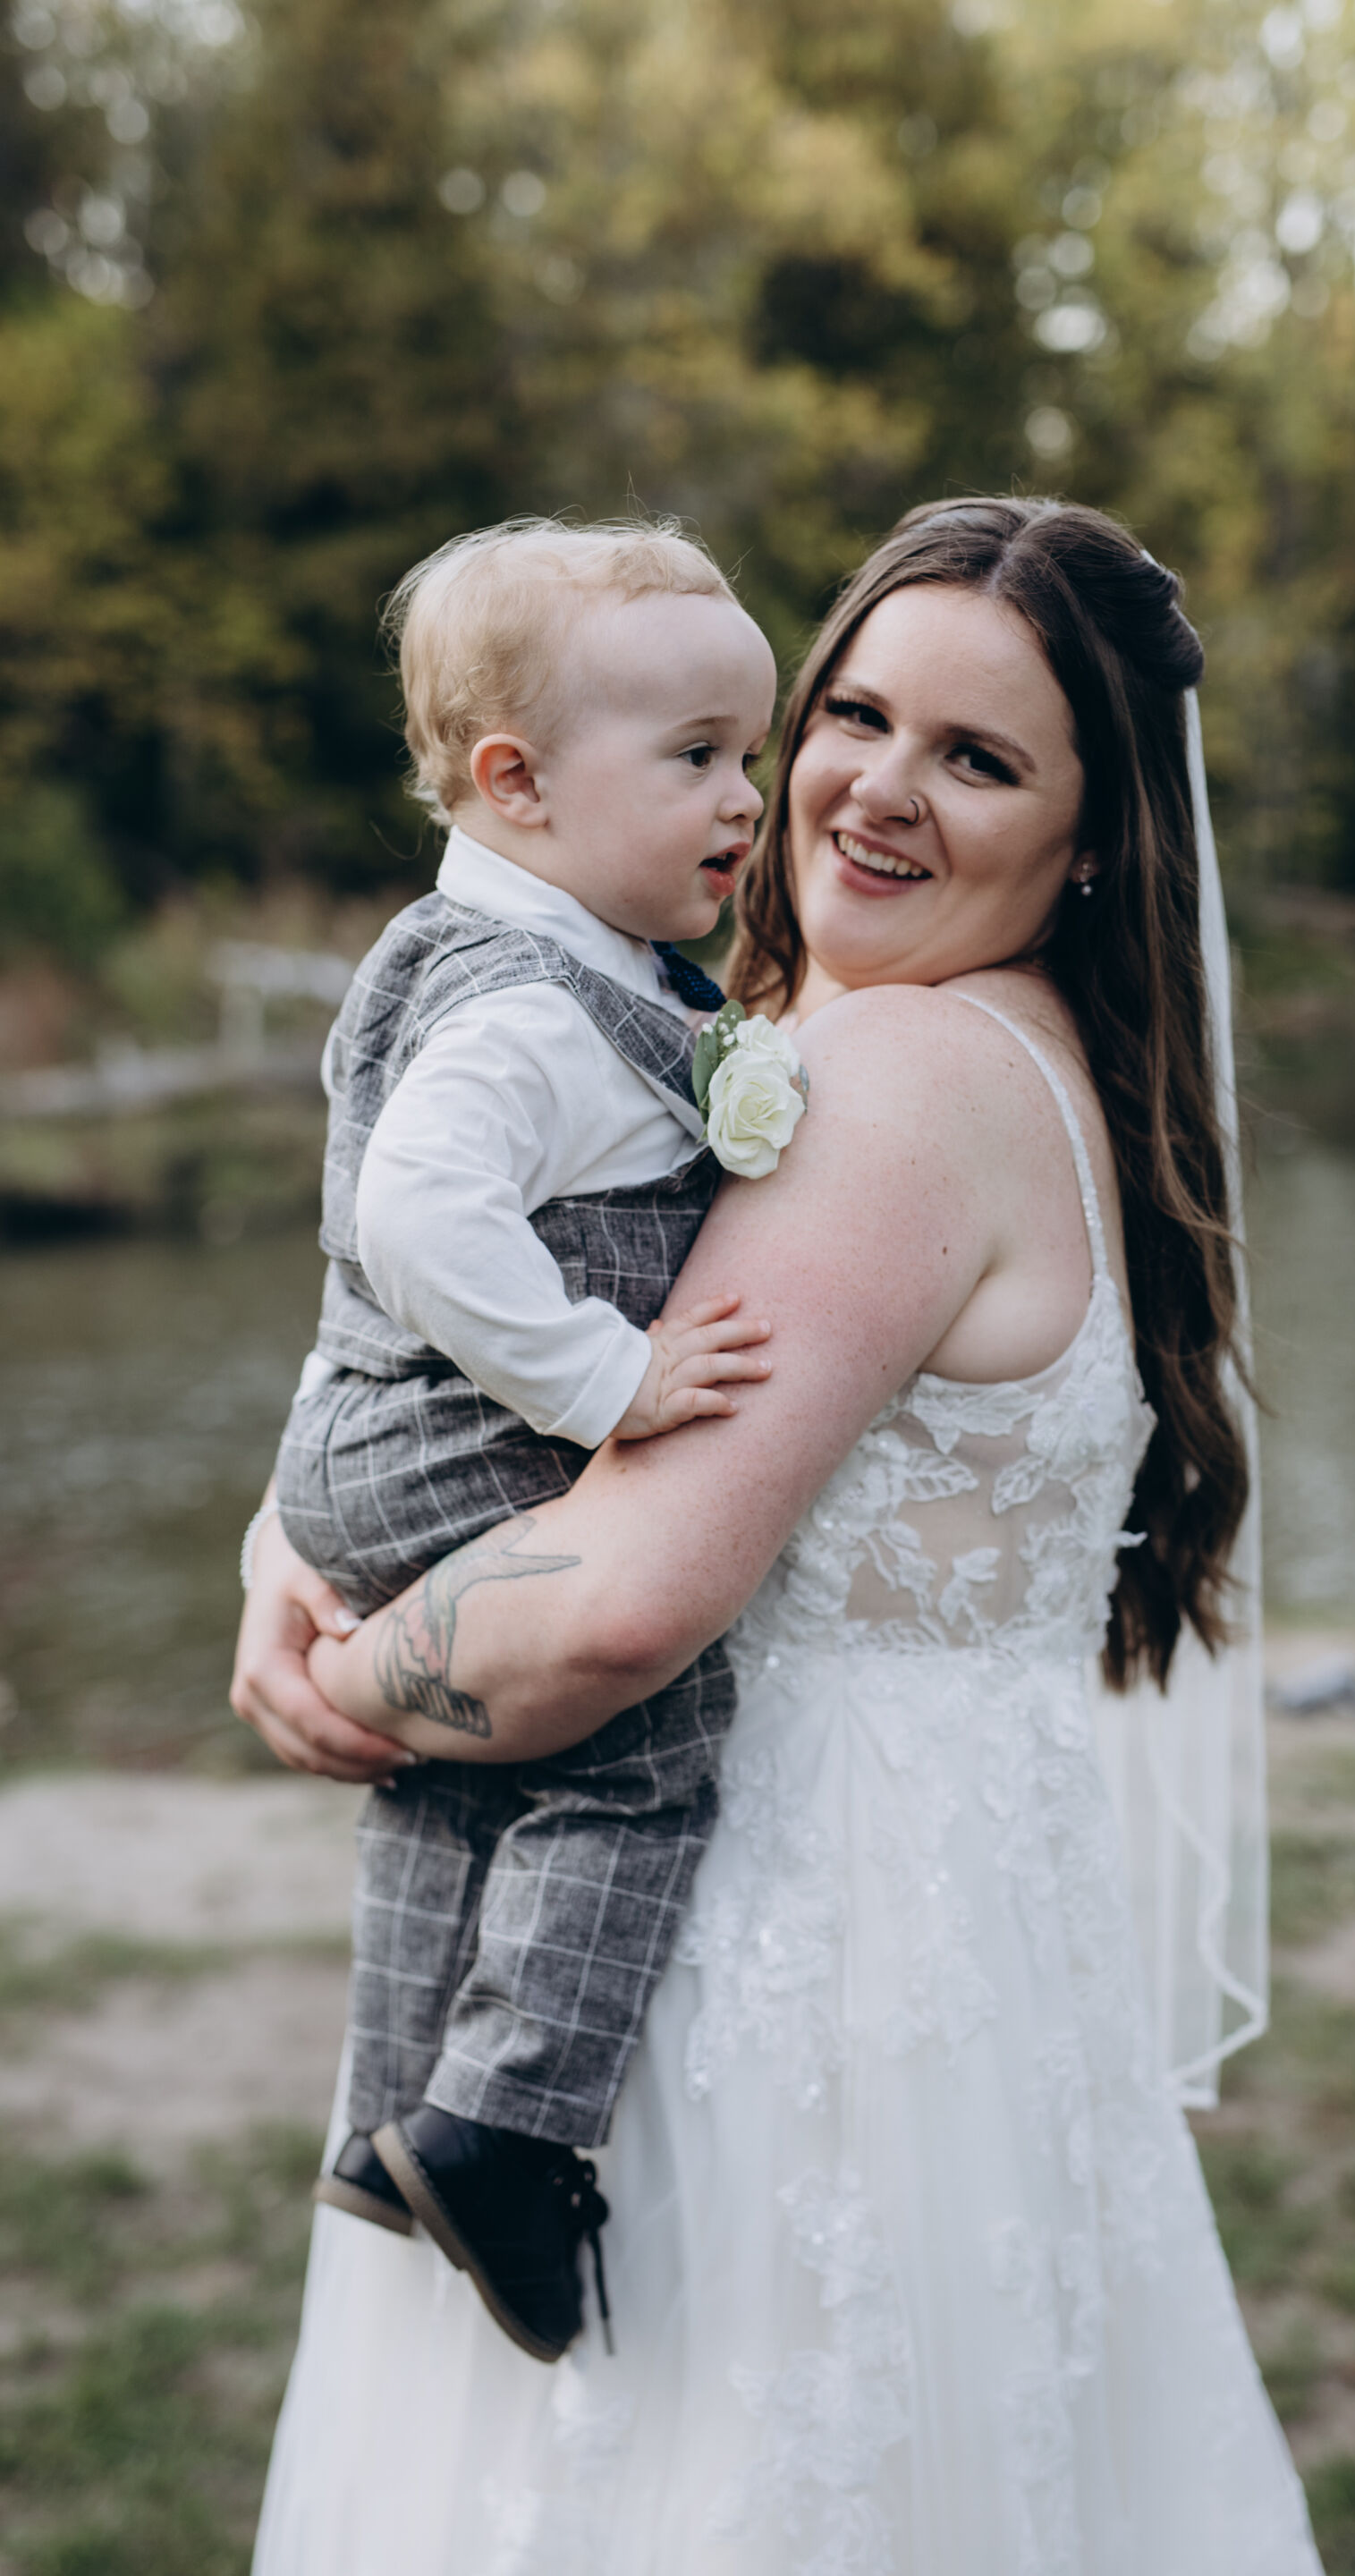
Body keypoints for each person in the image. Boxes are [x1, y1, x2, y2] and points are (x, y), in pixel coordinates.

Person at [235, 496, 1324, 2572]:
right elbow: (445, 1339)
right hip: (961, 1948)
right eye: (856, 717)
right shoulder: (975, 1050)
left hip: (784, 1969)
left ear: (1094, 838)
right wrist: (286, 1534)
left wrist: (333, 1662)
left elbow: (618, 1609)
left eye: (978, 758)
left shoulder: (898, 1077)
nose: (877, 791)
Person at [264, 517, 785, 2358]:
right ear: (518, 783)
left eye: (752, 753)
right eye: (699, 756)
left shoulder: (516, 953)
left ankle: (386, 2117)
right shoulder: (525, 1009)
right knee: (649, 1736)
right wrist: (607, 1385)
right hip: (455, 1427)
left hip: (368, 1434)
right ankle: (504, 2122)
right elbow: (417, 1220)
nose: (748, 798)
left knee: (455, 1777)